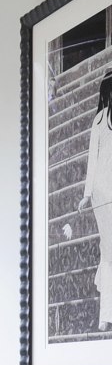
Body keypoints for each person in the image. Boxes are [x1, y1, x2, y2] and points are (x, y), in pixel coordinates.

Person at [79, 72, 112, 329]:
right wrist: (87, 194)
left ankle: (104, 317)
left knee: (108, 250)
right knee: (108, 251)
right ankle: (105, 315)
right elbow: (92, 161)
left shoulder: (99, 119)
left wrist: (88, 194)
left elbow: (92, 161)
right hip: (104, 194)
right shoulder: (100, 120)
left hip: (101, 194)